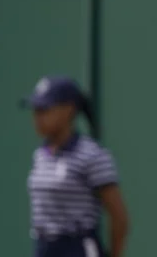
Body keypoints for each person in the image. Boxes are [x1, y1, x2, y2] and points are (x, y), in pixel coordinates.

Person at [26, 76, 129, 257]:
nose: (38, 117)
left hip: (77, 248)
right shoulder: (40, 155)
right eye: (36, 110)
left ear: (68, 110)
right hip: (44, 248)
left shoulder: (92, 155)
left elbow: (119, 217)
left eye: (45, 109)